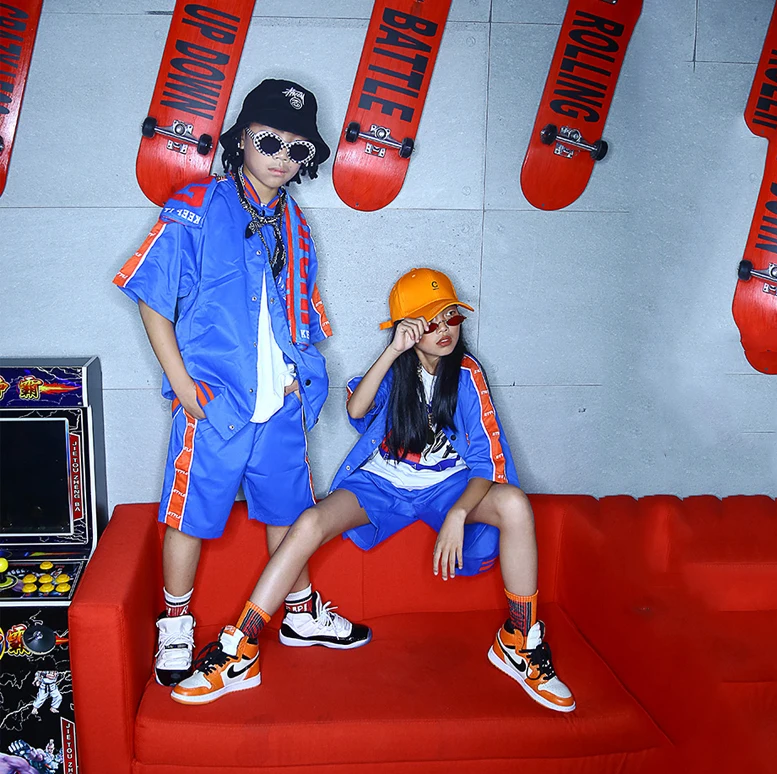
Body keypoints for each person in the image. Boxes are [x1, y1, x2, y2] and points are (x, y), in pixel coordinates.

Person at [172, 268, 575, 712]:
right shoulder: (397, 370)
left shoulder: (467, 374)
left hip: (446, 488)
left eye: (452, 317)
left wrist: (459, 514)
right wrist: (393, 350)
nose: (444, 330)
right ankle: (239, 647)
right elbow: (356, 408)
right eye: (430, 321)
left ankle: (519, 640)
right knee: (309, 522)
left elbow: (484, 465)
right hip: (381, 485)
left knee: (514, 503)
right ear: (408, 328)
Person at [113, 79, 371, 688]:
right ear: (242, 140)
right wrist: (181, 385)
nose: (282, 157)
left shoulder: (295, 222)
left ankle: (300, 613)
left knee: (290, 511)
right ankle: (175, 624)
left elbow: (302, 307)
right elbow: (152, 297)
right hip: (215, 403)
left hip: (281, 404)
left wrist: (298, 380)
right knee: (189, 515)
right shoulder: (195, 206)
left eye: (297, 148)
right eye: (269, 141)